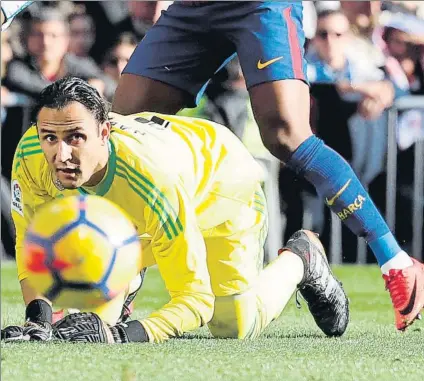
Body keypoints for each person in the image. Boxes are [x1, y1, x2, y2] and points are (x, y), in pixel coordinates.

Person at [111, 1, 424, 331]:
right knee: (123, 130)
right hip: (194, 8)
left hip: (258, 6)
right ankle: (116, 283)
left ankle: (395, 262)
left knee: (287, 135)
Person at [1, 77, 348, 343]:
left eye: (76, 137)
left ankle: (301, 259)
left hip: (223, 190)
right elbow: (31, 243)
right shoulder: (31, 153)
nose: (60, 154)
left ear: (104, 132)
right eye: (50, 138)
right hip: (150, 197)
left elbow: (195, 301)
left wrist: (122, 336)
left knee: (233, 325)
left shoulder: (151, 179)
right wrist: (39, 320)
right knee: (83, 315)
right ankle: (125, 275)